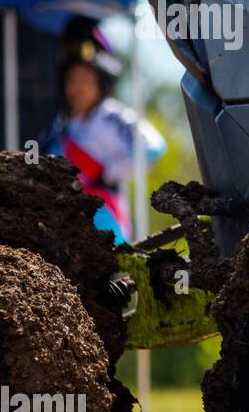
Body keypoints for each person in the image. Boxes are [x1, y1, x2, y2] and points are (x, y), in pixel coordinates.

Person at [41, 18, 166, 243]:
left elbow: (153, 147)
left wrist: (107, 172)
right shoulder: (59, 126)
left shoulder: (113, 116)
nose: (77, 87)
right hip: (65, 226)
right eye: (72, 79)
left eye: (85, 79)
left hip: (107, 223)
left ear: (101, 82)